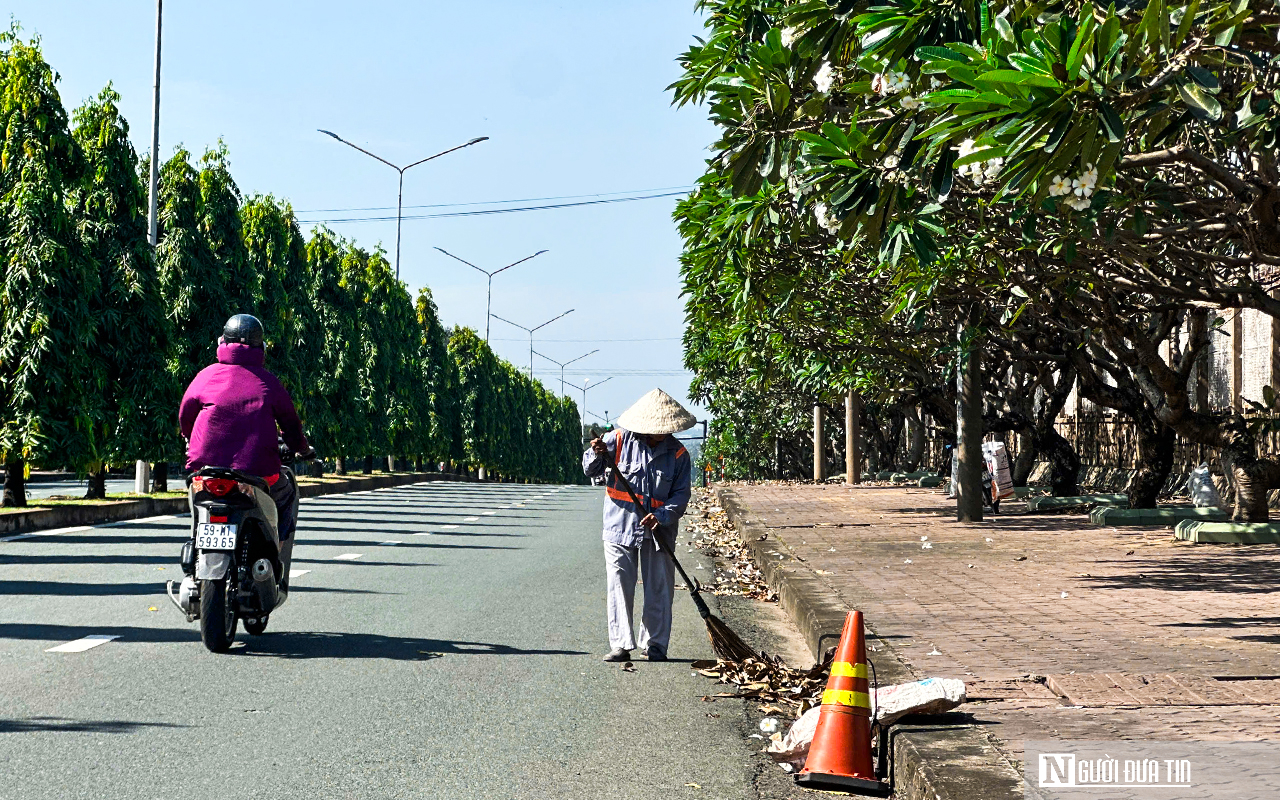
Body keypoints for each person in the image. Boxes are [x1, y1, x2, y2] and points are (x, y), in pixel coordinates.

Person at [179, 314, 314, 577]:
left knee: (197, 503)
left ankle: (196, 553)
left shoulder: (205, 376)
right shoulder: (269, 382)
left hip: (204, 469)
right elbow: (291, 425)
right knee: (286, 494)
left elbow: (186, 414)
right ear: (261, 348)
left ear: (220, 342)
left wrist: (189, 438)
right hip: (256, 471)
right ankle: (276, 555)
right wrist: (302, 449)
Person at [583, 388, 695, 662]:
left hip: (659, 532)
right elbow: (590, 469)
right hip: (619, 526)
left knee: (659, 586)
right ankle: (621, 644)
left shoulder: (678, 455)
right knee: (620, 583)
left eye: (666, 430)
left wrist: (663, 515)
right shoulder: (617, 440)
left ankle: (655, 644)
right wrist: (597, 453)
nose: (662, 434)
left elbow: (681, 496)